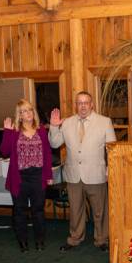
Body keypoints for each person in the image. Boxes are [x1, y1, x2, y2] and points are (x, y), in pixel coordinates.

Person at [49, 91, 115, 252]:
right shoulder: (68, 122)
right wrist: (53, 126)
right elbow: (55, 143)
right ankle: (74, 239)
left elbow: (112, 149)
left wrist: (109, 170)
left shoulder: (104, 122)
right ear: (76, 105)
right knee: (75, 210)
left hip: (96, 175)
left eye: (86, 102)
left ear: (91, 104)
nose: (83, 106)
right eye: (80, 103)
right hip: (73, 175)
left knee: (100, 211)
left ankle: (102, 240)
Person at [1, 99, 53, 252]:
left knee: (38, 210)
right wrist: (7, 132)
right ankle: (23, 241)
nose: (27, 113)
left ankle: (39, 240)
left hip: (38, 176)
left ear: (33, 112)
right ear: (20, 115)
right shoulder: (14, 131)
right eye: (23, 111)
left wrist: (48, 175)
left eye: (29, 110)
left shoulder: (41, 130)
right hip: (20, 177)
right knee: (19, 211)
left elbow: (48, 154)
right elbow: (4, 152)